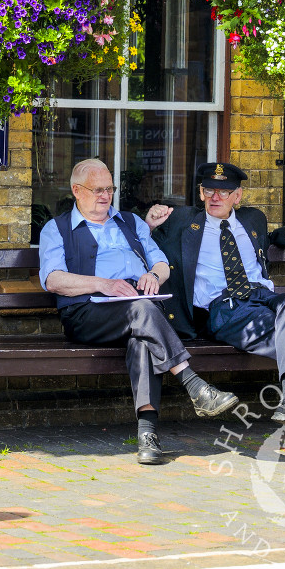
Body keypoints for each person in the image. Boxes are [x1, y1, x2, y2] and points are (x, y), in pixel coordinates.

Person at [39, 158, 239, 466]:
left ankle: (148, 436)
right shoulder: (57, 229)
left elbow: (160, 262)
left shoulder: (131, 222)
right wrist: (103, 284)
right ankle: (192, 383)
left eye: (110, 189)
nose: (105, 196)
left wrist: (154, 277)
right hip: (87, 313)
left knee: (142, 338)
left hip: (139, 312)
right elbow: (53, 279)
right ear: (77, 191)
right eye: (98, 190)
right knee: (142, 311)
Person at [147, 162, 285, 456]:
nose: (215, 197)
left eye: (224, 191)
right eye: (209, 190)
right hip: (225, 308)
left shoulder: (252, 218)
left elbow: (272, 238)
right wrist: (150, 220)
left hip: (262, 297)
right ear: (201, 192)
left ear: (238, 196)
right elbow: (141, 239)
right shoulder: (183, 221)